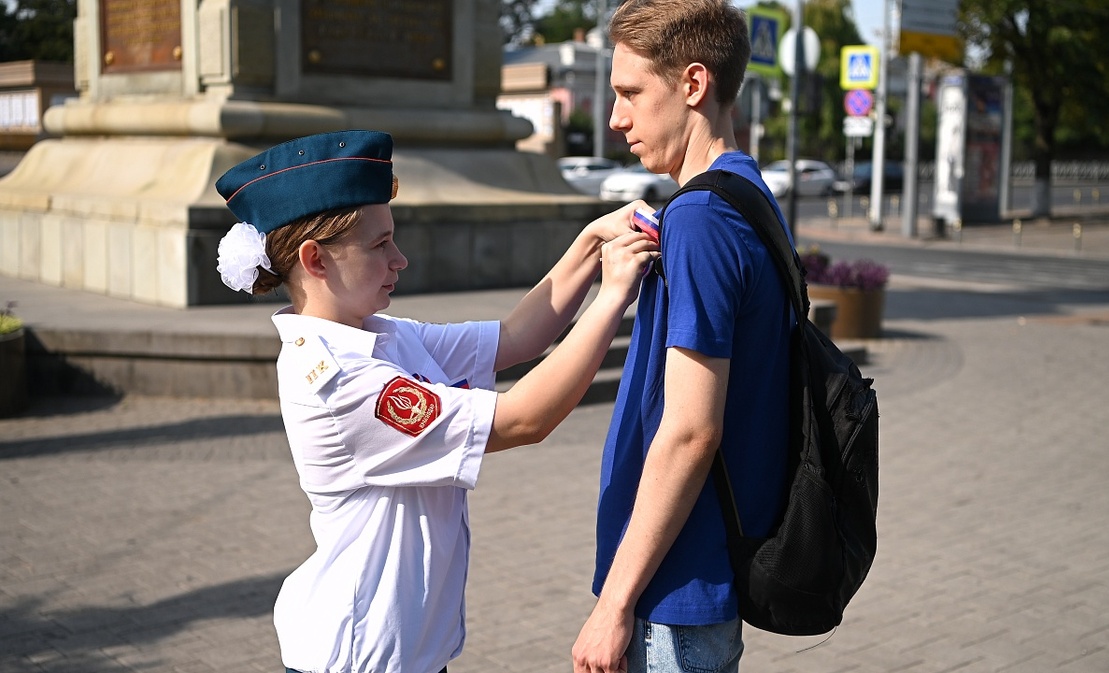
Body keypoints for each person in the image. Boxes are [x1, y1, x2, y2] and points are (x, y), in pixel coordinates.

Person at [213, 129, 658, 673]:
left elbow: (517, 336)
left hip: (407, 654)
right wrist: (613, 295)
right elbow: (524, 419)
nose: (400, 260)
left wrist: (591, 243)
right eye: (379, 245)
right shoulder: (335, 381)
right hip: (360, 659)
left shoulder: (383, 335)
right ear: (316, 259)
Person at [571, 2, 794, 672]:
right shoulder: (747, 194)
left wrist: (613, 604)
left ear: (693, 84)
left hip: (673, 595)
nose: (616, 118)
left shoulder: (698, 217)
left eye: (631, 93)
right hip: (697, 583)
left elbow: (692, 428)